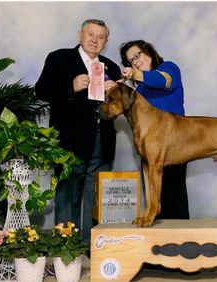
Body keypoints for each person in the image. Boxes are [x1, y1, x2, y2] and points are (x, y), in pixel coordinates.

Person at [35, 19, 121, 245]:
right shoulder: (59, 58)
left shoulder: (111, 67)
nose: (95, 40)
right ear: (80, 35)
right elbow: (41, 91)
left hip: (103, 140)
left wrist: (117, 93)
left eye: (101, 37)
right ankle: (66, 251)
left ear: (106, 42)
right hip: (69, 140)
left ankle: (95, 248)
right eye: (91, 34)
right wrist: (70, 87)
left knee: (96, 198)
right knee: (68, 194)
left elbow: (120, 107)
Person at [120, 40, 189, 220]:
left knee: (174, 195)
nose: (135, 61)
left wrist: (136, 74)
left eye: (137, 55)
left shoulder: (168, 68)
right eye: (130, 61)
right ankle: (156, 234)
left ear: (149, 52)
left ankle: (181, 241)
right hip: (148, 146)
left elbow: (164, 81)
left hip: (175, 143)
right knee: (153, 192)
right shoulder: (140, 89)